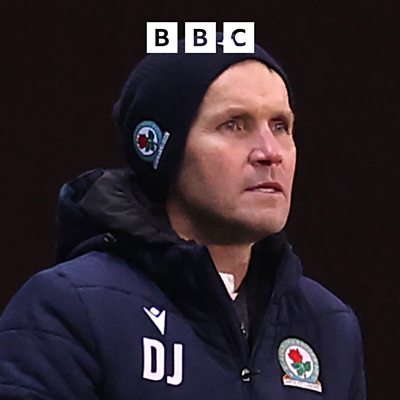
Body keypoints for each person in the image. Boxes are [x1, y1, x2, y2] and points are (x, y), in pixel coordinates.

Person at [0, 33, 366, 399]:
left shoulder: (329, 327)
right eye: (234, 124)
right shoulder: (69, 308)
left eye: (280, 126)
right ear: (162, 152)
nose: (271, 152)